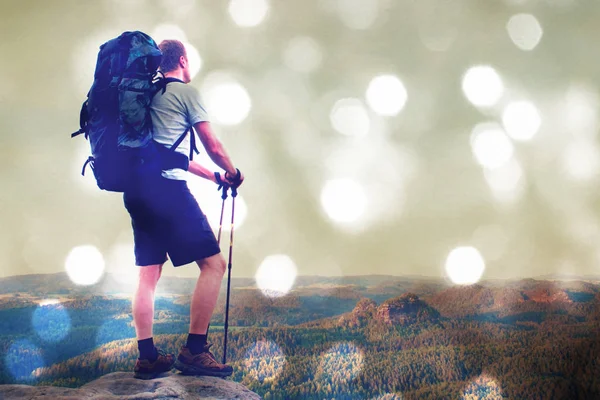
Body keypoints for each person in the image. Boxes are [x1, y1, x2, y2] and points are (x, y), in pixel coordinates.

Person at [125, 39, 244, 380]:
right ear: (182, 60)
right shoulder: (186, 94)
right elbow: (212, 144)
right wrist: (232, 173)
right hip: (168, 192)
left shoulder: (145, 96)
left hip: (137, 191)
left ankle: (147, 358)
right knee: (214, 265)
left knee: (148, 274)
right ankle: (194, 351)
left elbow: (169, 154)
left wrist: (214, 177)